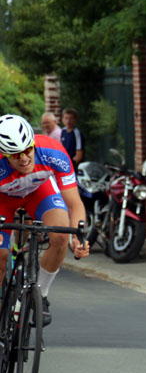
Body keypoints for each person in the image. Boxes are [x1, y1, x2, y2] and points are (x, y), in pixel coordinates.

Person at [0, 115, 90, 326]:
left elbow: (74, 204)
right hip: (3, 200)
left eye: (27, 150)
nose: (24, 158)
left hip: (38, 192)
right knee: (1, 255)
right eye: (15, 155)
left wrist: (79, 236)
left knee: (60, 234)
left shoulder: (53, 152)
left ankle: (41, 294)